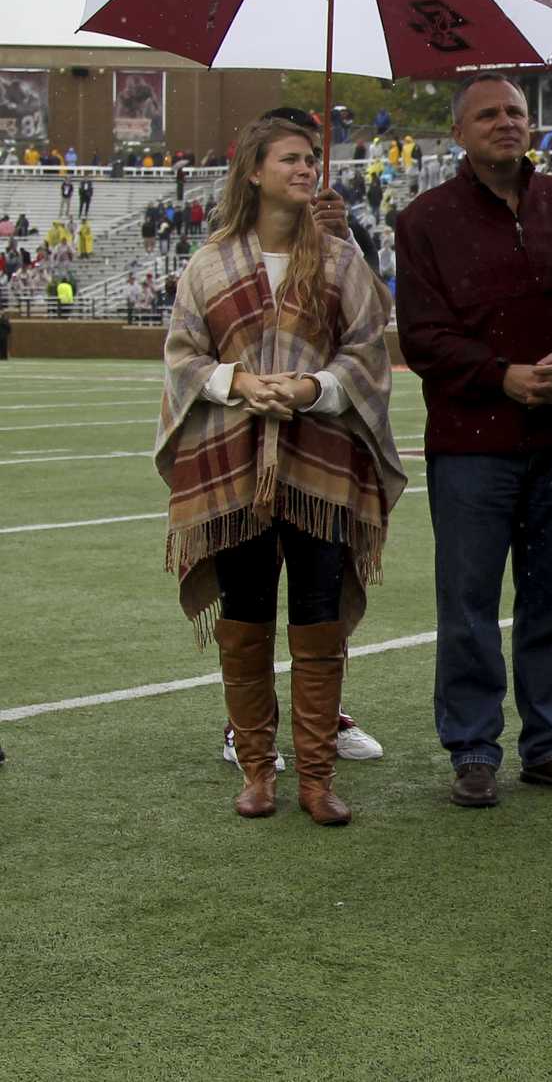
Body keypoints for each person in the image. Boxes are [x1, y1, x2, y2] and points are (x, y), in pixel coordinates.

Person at [156, 114, 406, 827]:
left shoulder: (338, 259)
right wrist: (238, 385)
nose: (306, 169)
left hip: (321, 461)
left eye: (312, 159)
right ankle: (259, 770)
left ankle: (317, 779)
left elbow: (366, 351)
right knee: (245, 613)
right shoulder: (210, 262)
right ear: (255, 171)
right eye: (291, 159)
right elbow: (183, 355)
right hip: (231, 462)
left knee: (319, 614)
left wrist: (308, 390)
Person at [396, 74, 552, 811]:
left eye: (516, 111)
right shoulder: (424, 219)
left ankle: (550, 744)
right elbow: (423, 335)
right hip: (470, 441)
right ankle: (473, 749)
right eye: (488, 114)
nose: (506, 123)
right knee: (470, 602)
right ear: (460, 133)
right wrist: (502, 376)